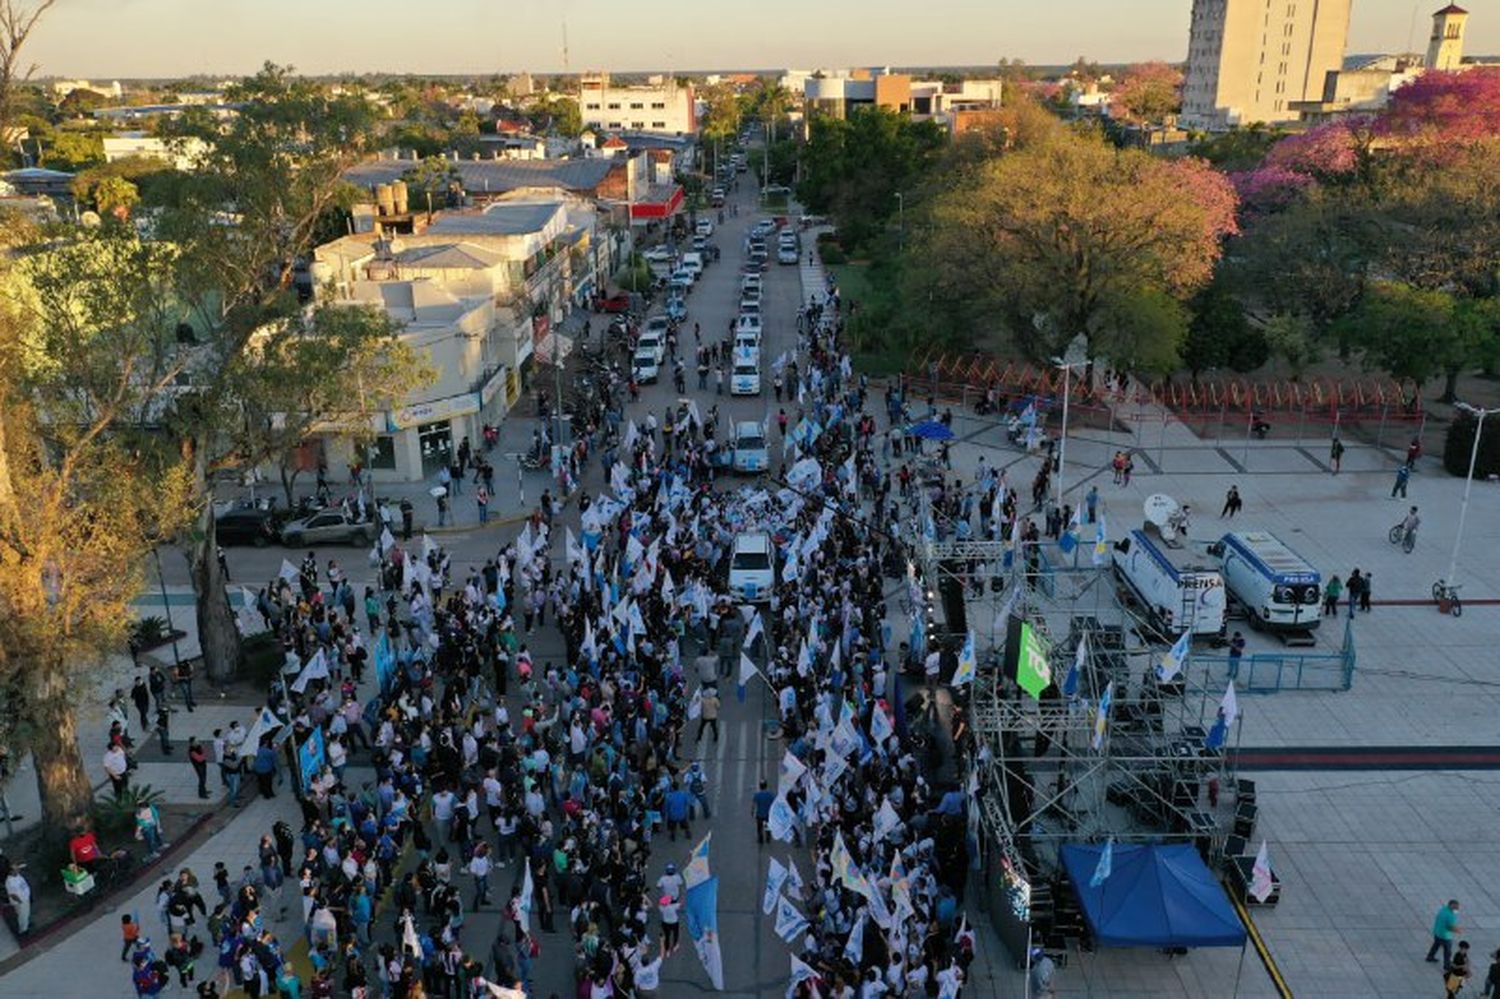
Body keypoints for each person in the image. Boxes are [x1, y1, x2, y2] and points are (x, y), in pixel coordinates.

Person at [1427, 898, 1463, 970]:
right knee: (1447, 952)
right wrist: (1458, 930)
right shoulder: (1450, 915)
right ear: (1451, 905)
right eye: (1456, 907)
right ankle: (1447, 966)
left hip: (1437, 932)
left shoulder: (1443, 909)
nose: (1457, 909)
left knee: (1436, 945)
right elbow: (1450, 927)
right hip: (1445, 936)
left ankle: (1430, 957)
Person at [5, 863, 31, 935]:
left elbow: (23, 865)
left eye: (17, 869)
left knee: (26, 914)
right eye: (16, 870)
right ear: (11, 871)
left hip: (25, 899)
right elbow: (12, 894)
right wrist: (20, 901)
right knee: (22, 916)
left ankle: (26, 926)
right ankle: (23, 931)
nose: (18, 870)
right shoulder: (9, 881)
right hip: (20, 902)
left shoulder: (17, 876)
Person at [753, 779, 775, 845]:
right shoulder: (770, 795)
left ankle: (760, 839)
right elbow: (774, 803)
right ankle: (768, 838)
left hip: (759, 814)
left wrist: (752, 812)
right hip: (768, 814)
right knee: (767, 826)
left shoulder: (757, 795)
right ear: (766, 786)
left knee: (759, 828)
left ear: (760, 786)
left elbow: (754, 805)